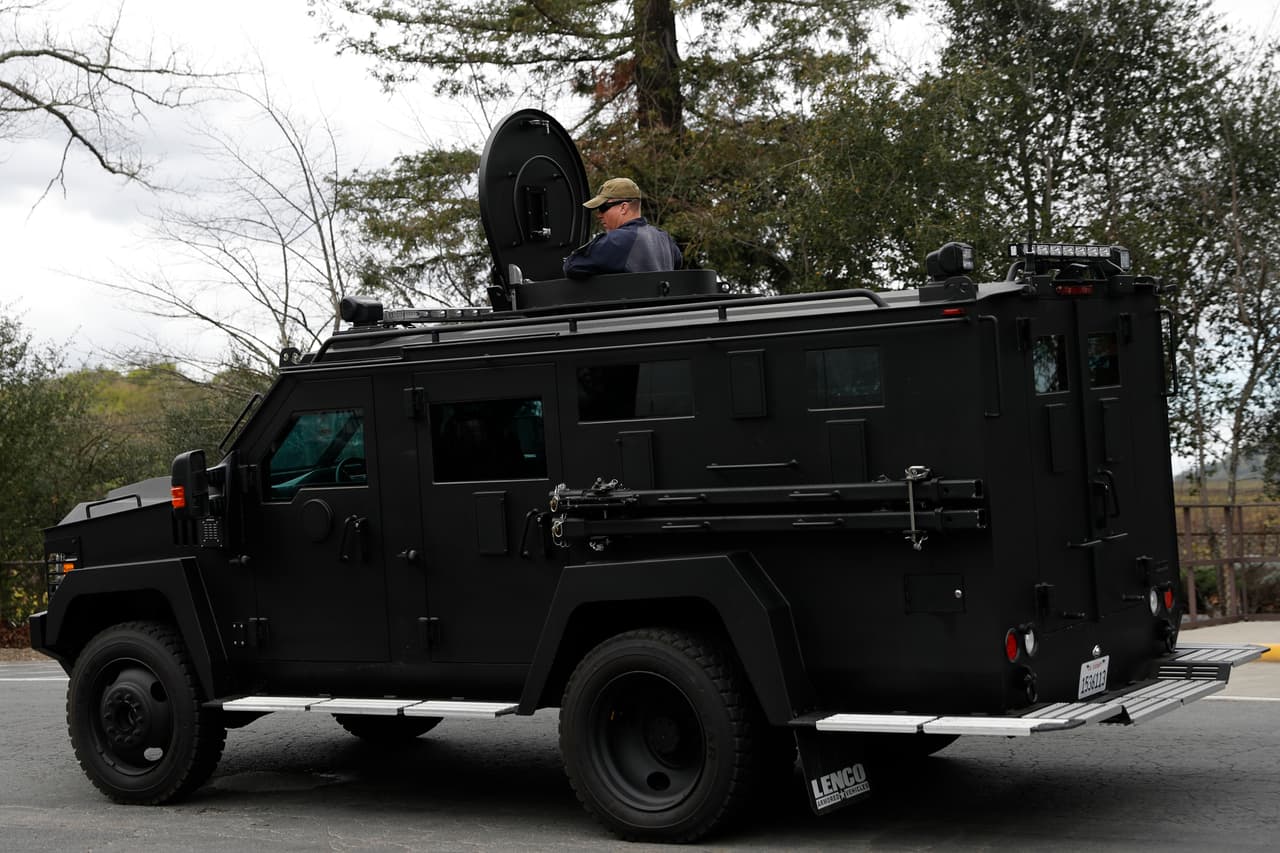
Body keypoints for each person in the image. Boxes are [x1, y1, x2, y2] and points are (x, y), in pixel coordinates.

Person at [563, 177, 683, 278]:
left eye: (603, 208)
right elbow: (678, 263)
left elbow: (571, 266)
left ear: (623, 207)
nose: (599, 215)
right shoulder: (665, 239)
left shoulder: (617, 240)